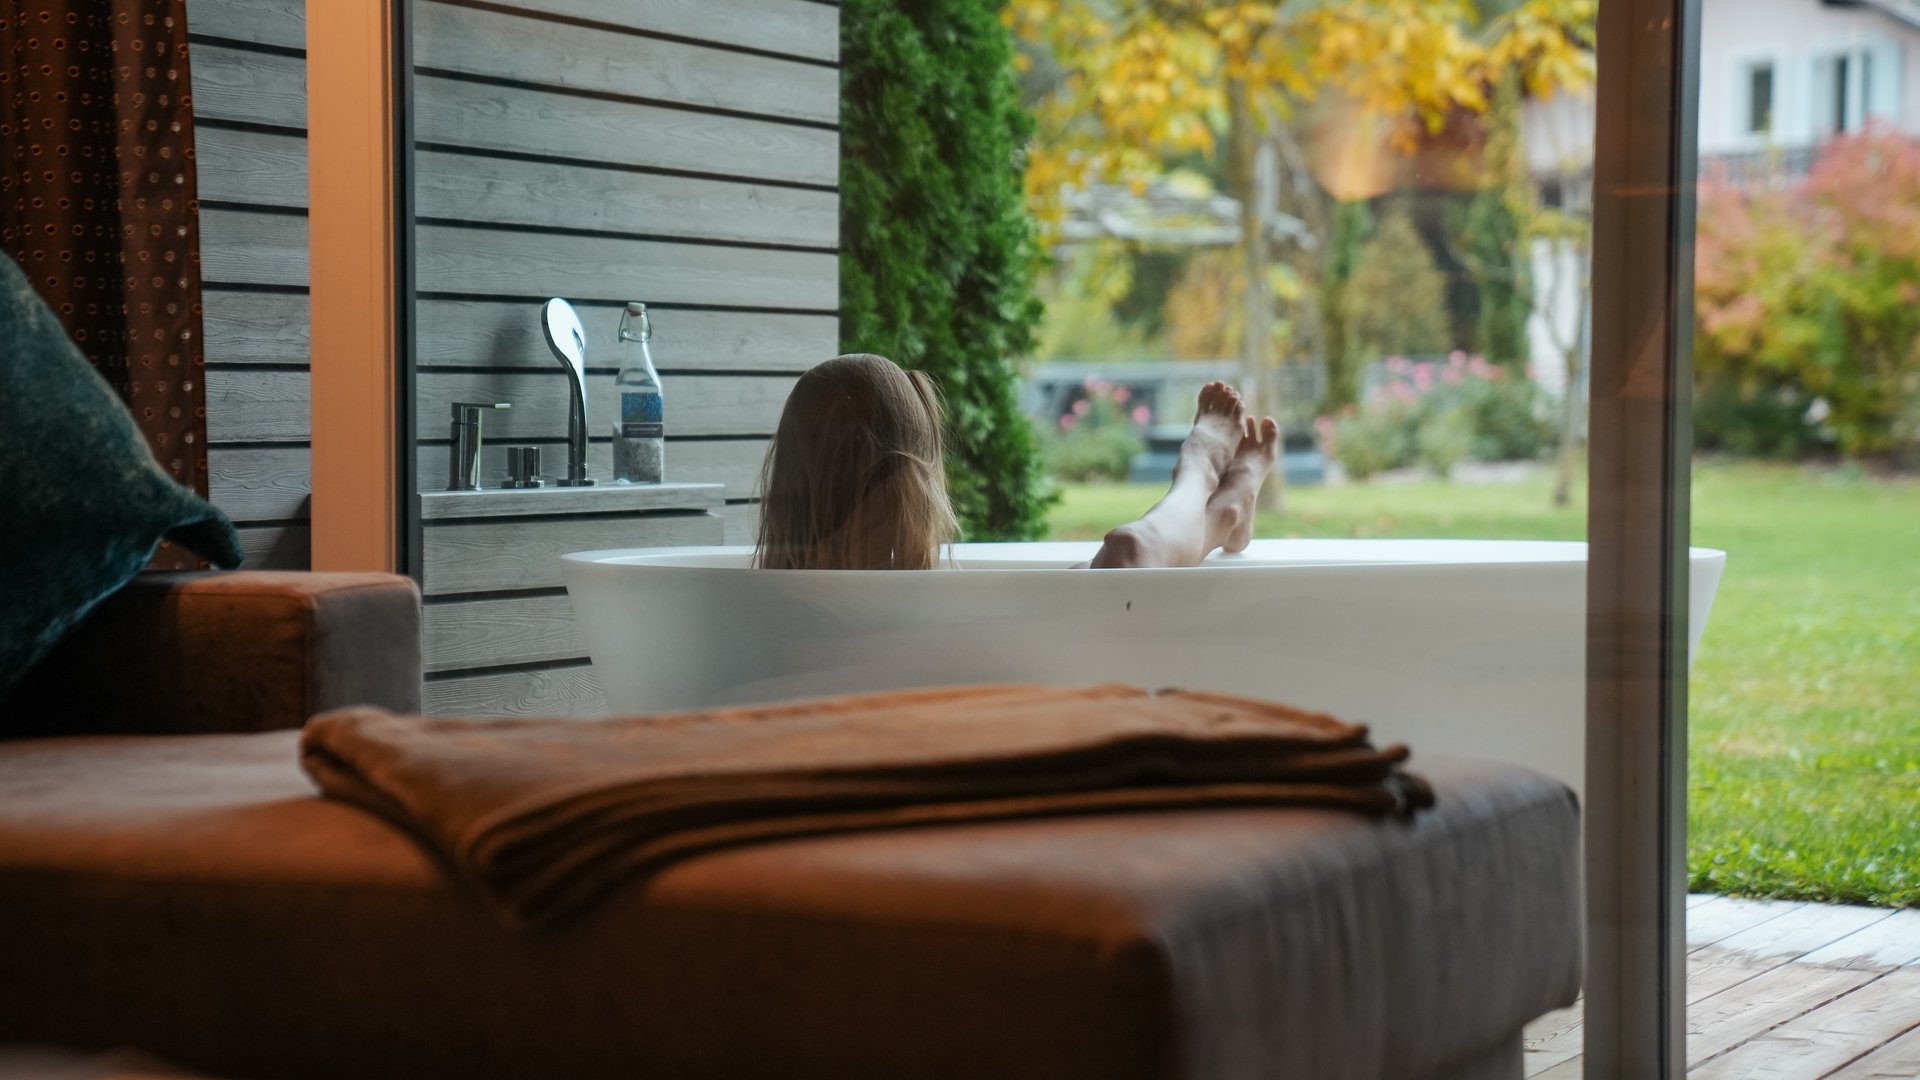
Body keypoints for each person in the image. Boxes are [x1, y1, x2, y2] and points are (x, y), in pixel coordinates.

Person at [754, 353, 1278, 571]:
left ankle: (1225, 511)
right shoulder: (917, 610)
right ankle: (1215, 497)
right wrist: (1199, 462)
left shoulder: (761, 604)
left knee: (1092, 573)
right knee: (1121, 560)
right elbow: (1130, 555)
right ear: (915, 480)